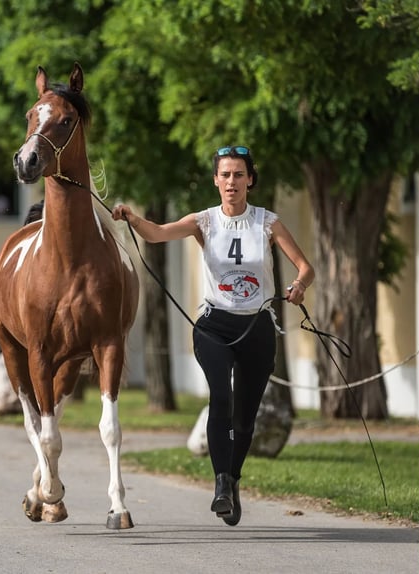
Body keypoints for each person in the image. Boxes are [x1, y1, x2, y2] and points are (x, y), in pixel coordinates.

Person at [112, 145, 314, 526]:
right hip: (215, 324)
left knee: (246, 417)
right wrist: (131, 218)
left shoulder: (267, 223)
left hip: (256, 327)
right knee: (221, 395)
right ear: (215, 181)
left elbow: (305, 266)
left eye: (239, 175)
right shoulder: (204, 221)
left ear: (250, 180)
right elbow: (157, 234)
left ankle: (233, 480)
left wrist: (300, 285)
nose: (232, 182)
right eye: (225, 175)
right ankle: (221, 485)